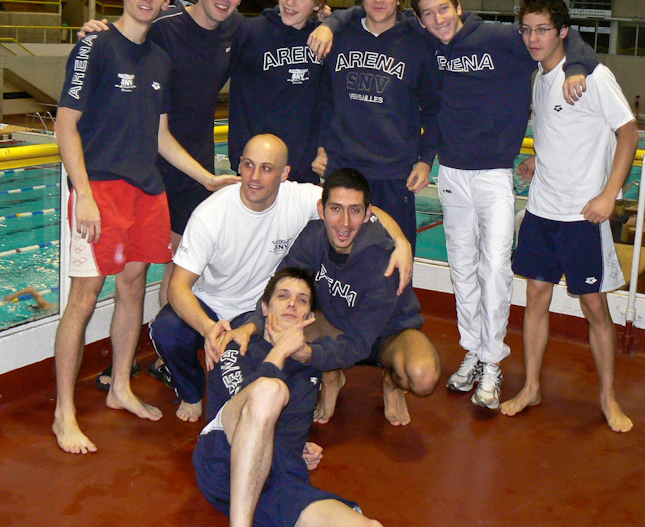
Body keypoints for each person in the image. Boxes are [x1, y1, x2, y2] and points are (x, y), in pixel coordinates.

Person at [52, 0, 238, 455]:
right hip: (99, 189)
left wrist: (206, 178)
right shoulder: (94, 45)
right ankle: (64, 412)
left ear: (166, 0)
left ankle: (120, 385)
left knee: (133, 287)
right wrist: (83, 194)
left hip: (146, 190)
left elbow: (161, 137)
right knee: (84, 297)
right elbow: (65, 124)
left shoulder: (158, 58)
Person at [407, 0, 598, 410]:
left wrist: (576, 68)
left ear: (458, 7)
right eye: (428, 14)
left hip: (493, 175)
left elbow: (564, 36)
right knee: (462, 269)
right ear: (420, 20)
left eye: (443, 9)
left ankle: (493, 361)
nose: (438, 20)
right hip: (451, 175)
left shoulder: (500, 40)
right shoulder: (429, 48)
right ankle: (473, 350)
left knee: (494, 269)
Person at [150, 133, 413, 422]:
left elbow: (363, 210)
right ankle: (190, 391)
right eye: (248, 165)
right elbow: (178, 287)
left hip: (262, 308)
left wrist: (401, 241)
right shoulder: (211, 214)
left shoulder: (299, 198)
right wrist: (208, 327)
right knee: (166, 330)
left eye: (266, 168)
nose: (254, 177)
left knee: (264, 378)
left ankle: (320, 379)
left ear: (285, 174)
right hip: (212, 306)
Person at [81, 0, 250, 386]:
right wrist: (96, 31)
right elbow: (126, 32)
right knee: (130, 275)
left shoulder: (236, 29)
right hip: (145, 161)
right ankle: (121, 362)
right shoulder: (165, 24)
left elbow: (283, 25)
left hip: (194, 165)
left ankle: (164, 353)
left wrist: (328, 21)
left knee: (180, 268)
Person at [499, 0, 636, 433]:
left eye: (543, 30)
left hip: (583, 216)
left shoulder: (592, 76)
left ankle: (608, 397)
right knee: (536, 297)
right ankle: (532, 386)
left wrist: (609, 194)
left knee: (594, 306)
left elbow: (628, 132)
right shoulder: (539, 79)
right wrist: (537, 159)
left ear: (562, 32)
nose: (533, 39)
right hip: (542, 210)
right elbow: (563, 131)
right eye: (527, 30)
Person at [237, 168, 439, 426]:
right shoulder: (312, 239)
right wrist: (251, 326)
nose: (344, 223)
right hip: (335, 326)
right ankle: (332, 377)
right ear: (321, 210)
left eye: (354, 210)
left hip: (387, 336)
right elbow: (278, 292)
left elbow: (358, 343)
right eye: (336, 209)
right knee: (285, 319)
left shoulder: (382, 261)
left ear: (368, 214)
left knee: (423, 376)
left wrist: (312, 355)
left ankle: (391, 382)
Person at [194, 268, 383, 527]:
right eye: (283, 296)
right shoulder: (237, 345)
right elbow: (249, 412)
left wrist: (295, 448)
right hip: (221, 458)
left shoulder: (310, 363)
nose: (292, 304)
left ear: (309, 317)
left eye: (302, 300)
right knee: (270, 390)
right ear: (264, 308)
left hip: (278, 477)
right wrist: (280, 350)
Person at [311, 0, 441, 250]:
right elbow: (325, 100)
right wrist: (320, 146)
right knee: (338, 253)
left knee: (394, 255)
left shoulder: (419, 45)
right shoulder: (338, 36)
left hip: (393, 173)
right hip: (342, 166)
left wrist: (425, 160)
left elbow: (433, 110)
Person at [227, 0, 329, 184]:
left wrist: (332, 23)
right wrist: (239, 155)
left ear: (317, 4)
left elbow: (327, 101)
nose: (290, 2)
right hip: (257, 164)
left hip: (303, 165)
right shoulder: (250, 32)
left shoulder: (322, 37)